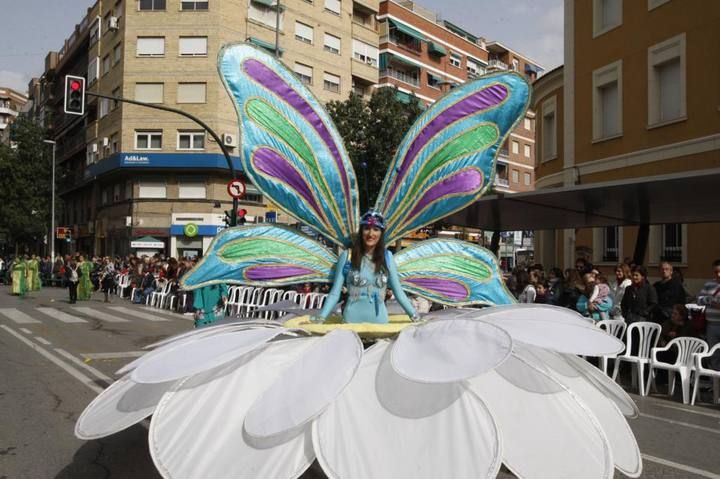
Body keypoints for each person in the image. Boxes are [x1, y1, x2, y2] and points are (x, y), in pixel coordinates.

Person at [314, 210, 418, 324]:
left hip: (380, 325)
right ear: (361, 231)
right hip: (351, 323)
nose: (371, 234)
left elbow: (399, 293)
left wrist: (414, 316)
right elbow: (334, 293)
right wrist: (321, 317)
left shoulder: (387, 257)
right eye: (367, 228)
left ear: (381, 234)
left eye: (376, 229)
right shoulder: (347, 256)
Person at [697, 259, 720, 370]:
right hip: (711, 325)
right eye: (716, 272)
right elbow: (699, 300)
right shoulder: (709, 284)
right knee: (714, 354)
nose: (718, 274)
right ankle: (715, 383)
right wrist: (711, 300)